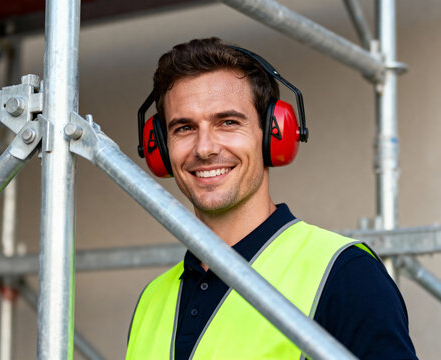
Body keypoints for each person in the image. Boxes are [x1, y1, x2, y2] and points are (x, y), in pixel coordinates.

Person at [127, 37, 417, 360]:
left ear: (273, 134)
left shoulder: (344, 276)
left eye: (228, 122)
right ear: (160, 148)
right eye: (184, 128)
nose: (205, 148)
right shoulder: (151, 302)